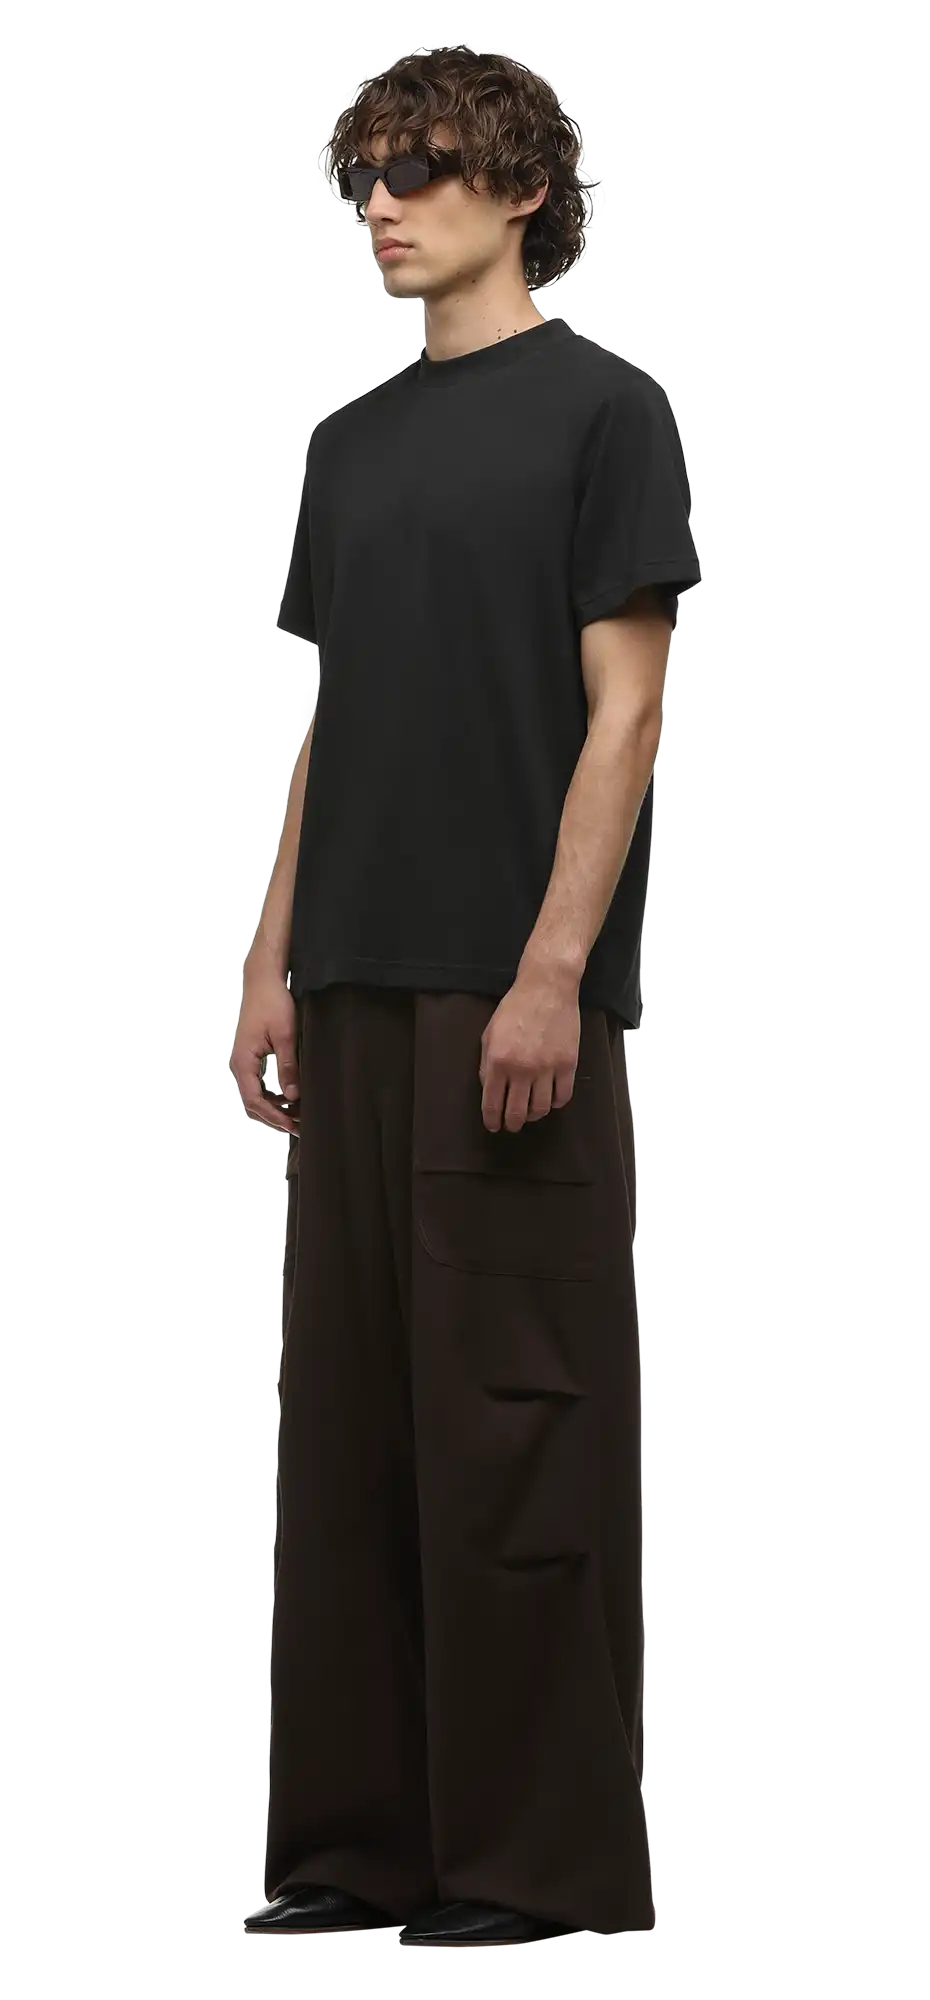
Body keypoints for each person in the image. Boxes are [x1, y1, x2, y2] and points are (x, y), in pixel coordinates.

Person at [232, 42, 702, 1948]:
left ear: (519, 190)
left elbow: (625, 711)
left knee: (516, 1421)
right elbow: (334, 715)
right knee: (349, 1424)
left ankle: (530, 1871)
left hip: (506, 1001)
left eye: (420, 169)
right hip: (351, 989)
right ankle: (359, 1849)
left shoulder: (606, 414)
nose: (382, 205)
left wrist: (552, 972)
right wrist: (269, 957)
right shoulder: (348, 447)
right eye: (364, 175)